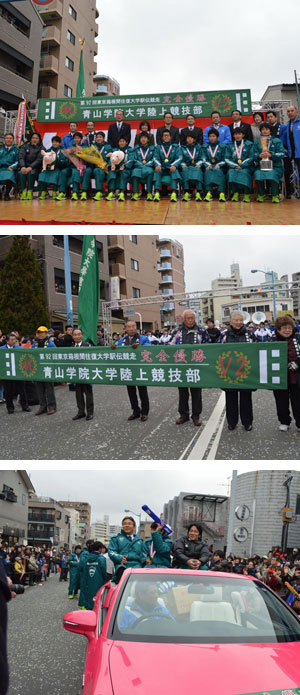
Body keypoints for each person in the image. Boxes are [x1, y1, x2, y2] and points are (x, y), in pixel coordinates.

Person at [170, 310, 209, 426]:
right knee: (182, 392)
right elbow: (169, 345)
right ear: (184, 319)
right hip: (181, 366)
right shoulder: (177, 331)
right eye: (188, 318)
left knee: (196, 392)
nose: (191, 320)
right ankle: (183, 415)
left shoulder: (201, 331)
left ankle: (196, 416)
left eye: (192, 318)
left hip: (196, 366)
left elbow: (208, 345)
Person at [222, 310, 256, 431]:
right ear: (231, 321)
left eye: (241, 320)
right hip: (229, 372)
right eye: (236, 320)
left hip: (245, 371)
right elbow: (217, 351)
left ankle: (247, 422)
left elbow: (257, 349)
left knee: (246, 397)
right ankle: (232, 422)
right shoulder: (224, 335)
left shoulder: (250, 334)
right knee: (230, 397)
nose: (239, 322)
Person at [117, 321, 151, 421]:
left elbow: (150, 349)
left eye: (133, 326)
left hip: (140, 368)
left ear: (136, 328)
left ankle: (145, 412)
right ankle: (135, 411)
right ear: (125, 329)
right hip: (128, 369)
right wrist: (113, 348)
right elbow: (118, 351)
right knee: (131, 391)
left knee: (142, 391)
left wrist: (140, 346)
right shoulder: (122, 340)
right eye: (129, 327)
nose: (131, 328)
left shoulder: (143, 338)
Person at [272, 315, 300, 432]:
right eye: (284, 328)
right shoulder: (273, 341)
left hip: (296, 377)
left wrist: (297, 363)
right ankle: (284, 421)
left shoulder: (298, 339)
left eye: (289, 327)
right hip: (280, 377)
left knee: (298, 401)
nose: (287, 330)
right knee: (281, 401)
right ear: (278, 329)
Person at [108, 516, 147, 584]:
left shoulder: (140, 541)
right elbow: (111, 552)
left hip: (137, 567)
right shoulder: (116, 539)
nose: (127, 525)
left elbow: (144, 554)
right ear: (122, 526)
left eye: (129, 523)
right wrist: (120, 558)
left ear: (134, 527)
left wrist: (145, 560)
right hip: (122, 566)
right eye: (125, 524)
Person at [253, 122, 285, 203]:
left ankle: (275, 195)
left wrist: (271, 154)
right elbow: (253, 154)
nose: (265, 131)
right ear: (260, 131)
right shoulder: (257, 141)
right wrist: (259, 156)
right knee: (257, 174)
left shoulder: (276, 141)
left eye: (267, 129)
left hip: (275, 166)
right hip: (261, 166)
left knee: (272, 174)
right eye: (263, 129)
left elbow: (281, 153)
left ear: (270, 131)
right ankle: (262, 194)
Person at [0, 332, 31, 414]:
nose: (14, 341)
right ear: (7, 341)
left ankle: (25, 406)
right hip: (7, 373)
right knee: (7, 391)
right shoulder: (1, 349)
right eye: (12, 339)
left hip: (18, 373)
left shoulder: (19, 348)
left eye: (15, 339)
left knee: (22, 390)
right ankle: (10, 407)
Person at [225, 128, 254, 202]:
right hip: (234, 167)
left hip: (246, 167)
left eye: (239, 134)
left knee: (244, 173)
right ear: (233, 135)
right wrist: (235, 166)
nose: (237, 136)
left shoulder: (249, 144)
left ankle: (246, 194)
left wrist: (242, 165)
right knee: (231, 172)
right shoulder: (230, 145)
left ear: (243, 135)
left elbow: (251, 157)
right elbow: (227, 158)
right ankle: (235, 193)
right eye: (236, 134)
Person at [32, 326, 56, 415]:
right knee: (39, 389)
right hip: (37, 370)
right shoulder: (34, 344)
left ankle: (51, 406)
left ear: (46, 333)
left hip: (47, 369)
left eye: (42, 332)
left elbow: (55, 355)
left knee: (49, 389)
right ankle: (42, 406)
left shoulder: (50, 344)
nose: (40, 334)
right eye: (38, 333)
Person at [71, 328, 94, 421]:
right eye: (75, 334)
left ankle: (90, 412)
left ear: (82, 335)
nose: (77, 336)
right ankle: (81, 412)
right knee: (78, 394)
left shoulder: (88, 346)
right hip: (76, 374)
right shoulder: (70, 348)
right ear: (72, 336)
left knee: (88, 394)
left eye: (79, 334)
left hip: (86, 373)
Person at [153, 129, 182, 202]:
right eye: (164, 136)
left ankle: (174, 193)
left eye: (167, 135)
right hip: (162, 167)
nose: (166, 137)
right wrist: (158, 165)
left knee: (174, 171)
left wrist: (174, 165)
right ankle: (156, 193)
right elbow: (155, 157)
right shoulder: (158, 147)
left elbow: (179, 158)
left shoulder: (175, 147)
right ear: (162, 137)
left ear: (171, 137)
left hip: (171, 167)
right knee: (157, 170)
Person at [105, 136, 134, 202]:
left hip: (126, 169)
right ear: (118, 143)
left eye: (123, 141)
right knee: (112, 172)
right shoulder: (114, 150)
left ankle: (122, 192)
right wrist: (111, 166)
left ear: (126, 142)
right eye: (120, 141)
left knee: (123, 172)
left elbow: (131, 160)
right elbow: (111, 159)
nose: (121, 143)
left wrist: (125, 166)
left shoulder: (130, 150)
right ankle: (111, 192)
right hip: (116, 168)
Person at [202, 128, 227, 201]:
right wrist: (207, 164)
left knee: (218, 171)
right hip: (209, 166)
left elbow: (225, 158)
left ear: (217, 137)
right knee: (208, 171)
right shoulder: (205, 147)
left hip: (220, 167)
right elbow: (203, 158)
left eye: (213, 136)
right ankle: (209, 193)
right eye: (210, 136)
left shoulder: (222, 146)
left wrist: (219, 164)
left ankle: (221, 193)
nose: (212, 138)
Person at [18, 133, 43, 199]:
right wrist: (23, 166)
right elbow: (21, 157)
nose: (34, 140)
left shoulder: (42, 148)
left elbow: (39, 160)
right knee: (21, 173)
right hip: (25, 166)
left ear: (39, 140)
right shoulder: (25, 146)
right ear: (30, 139)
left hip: (36, 168)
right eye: (33, 138)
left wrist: (30, 167)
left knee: (31, 173)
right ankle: (23, 191)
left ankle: (29, 191)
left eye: (36, 138)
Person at [281, 105, 300, 197]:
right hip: (293, 154)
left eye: (292, 110)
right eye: (288, 111)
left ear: (297, 111)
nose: (290, 113)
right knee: (296, 174)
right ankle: (297, 192)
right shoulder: (288, 124)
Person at [131, 132, 155, 201]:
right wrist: (141, 165)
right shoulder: (136, 148)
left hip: (148, 166)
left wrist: (146, 164)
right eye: (142, 138)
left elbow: (154, 159)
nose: (143, 139)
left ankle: (149, 193)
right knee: (134, 172)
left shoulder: (152, 148)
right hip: (138, 166)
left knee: (150, 171)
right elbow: (134, 159)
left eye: (145, 138)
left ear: (148, 139)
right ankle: (135, 193)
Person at [180, 132, 204, 201]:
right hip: (186, 166)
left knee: (198, 170)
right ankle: (186, 192)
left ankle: (198, 193)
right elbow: (180, 158)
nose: (189, 139)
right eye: (188, 138)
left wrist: (199, 163)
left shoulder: (199, 147)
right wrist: (183, 164)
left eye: (191, 138)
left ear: (194, 139)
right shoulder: (183, 148)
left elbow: (202, 158)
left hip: (196, 166)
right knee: (184, 171)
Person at [83, 542, 106, 610]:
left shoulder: (87, 558)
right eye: (102, 548)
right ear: (99, 549)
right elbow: (104, 571)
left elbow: (85, 571)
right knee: (98, 597)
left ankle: (89, 610)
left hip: (88, 581)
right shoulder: (101, 558)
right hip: (99, 581)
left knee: (89, 596)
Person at [92, 131, 112, 200]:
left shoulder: (108, 147)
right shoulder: (93, 147)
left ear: (103, 138)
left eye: (100, 137)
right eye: (97, 137)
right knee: (98, 171)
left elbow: (111, 159)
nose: (98, 139)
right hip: (96, 168)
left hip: (106, 168)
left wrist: (107, 166)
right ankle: (99, 192)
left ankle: (110, 192)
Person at [0, 133, 19, 200]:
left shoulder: (16, 150)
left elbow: (18, 161)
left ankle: (6, 194)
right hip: (1, 168)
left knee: (9, 176)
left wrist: (12, 167)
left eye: (10, 138)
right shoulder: (0, 149)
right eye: (7, 138)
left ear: (13, 140)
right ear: (4, 140)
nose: (9, 140)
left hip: (10, 169)